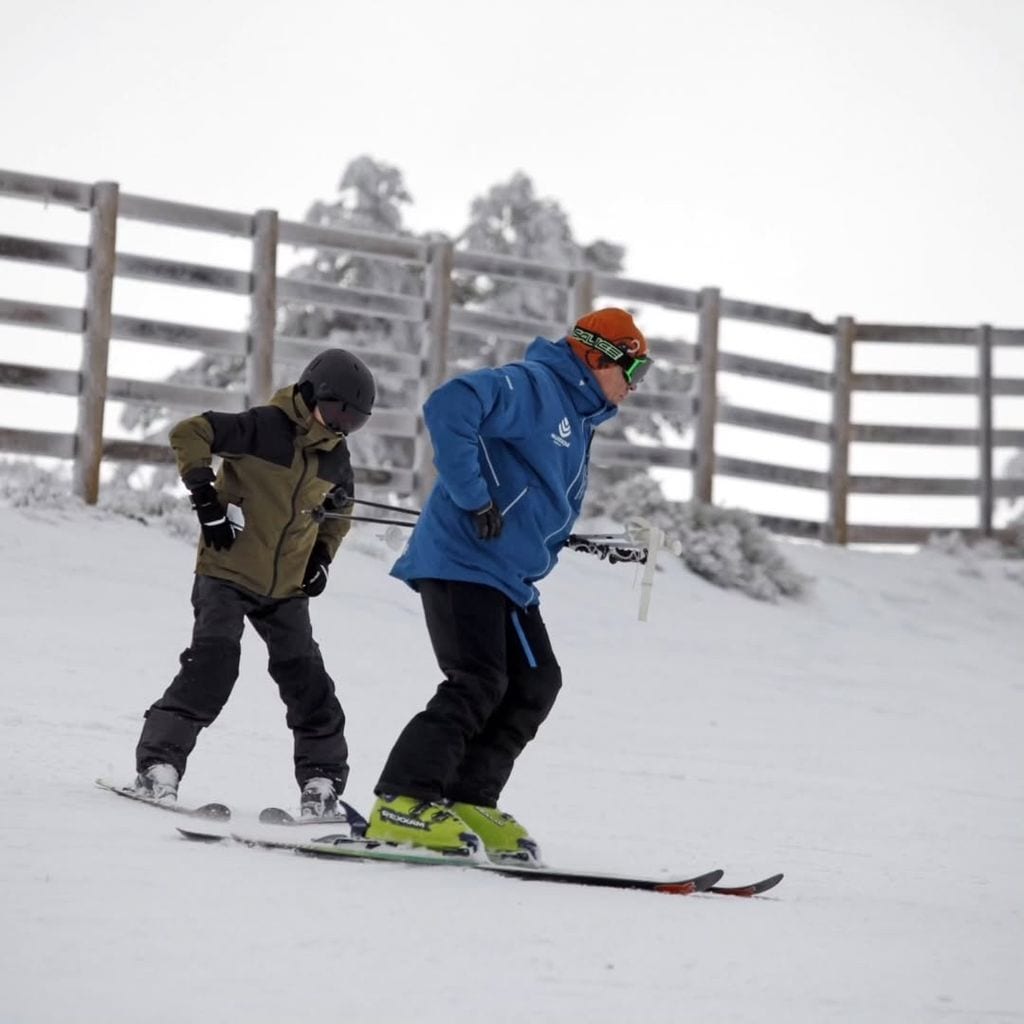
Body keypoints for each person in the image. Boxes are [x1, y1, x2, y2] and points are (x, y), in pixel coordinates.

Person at [364, 307, 652, 862]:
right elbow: (449, 405)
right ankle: (402, 799)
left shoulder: (578, 415)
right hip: (461, 560)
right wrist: (473, 497)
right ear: (596, 357)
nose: (634, 387)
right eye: (632, 372)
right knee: (477, 681)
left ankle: (468, 799)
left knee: (536, 682)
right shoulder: (534, 385)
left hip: (509, 578)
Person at [131, 349, 376, 818]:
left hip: (285, 590)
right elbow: (190, 431)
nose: (344, 426)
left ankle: (321, 783)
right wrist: (205, 496)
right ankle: (158, 765)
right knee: (213, 667)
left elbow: (339, 512)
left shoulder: (335, 456)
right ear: (312, 395)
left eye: (356, 420)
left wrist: (322, 558)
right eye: (340, 412)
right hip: (226, 572)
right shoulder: (262, 427)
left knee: (309, 684)